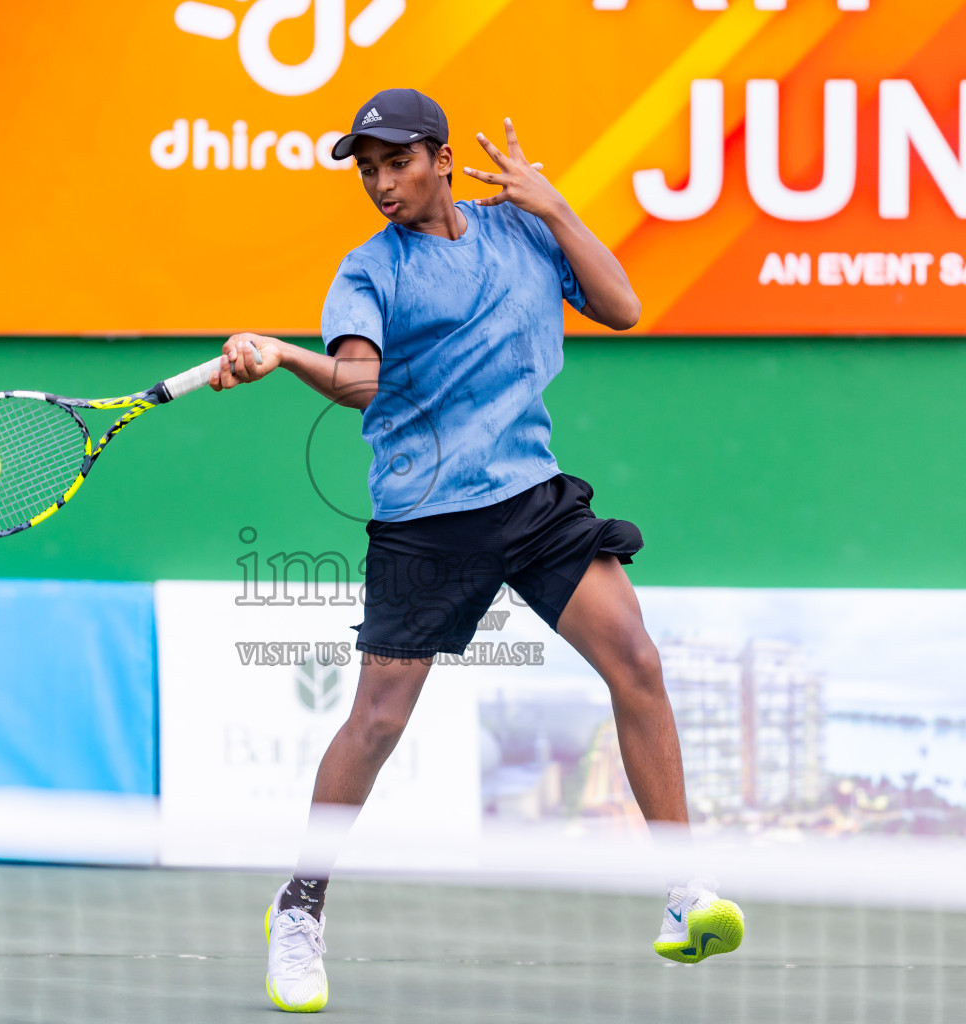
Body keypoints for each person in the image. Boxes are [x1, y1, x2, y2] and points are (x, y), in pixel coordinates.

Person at [210, 88, 743, 1014]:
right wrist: (290, 357)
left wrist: (557, 208)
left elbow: (621, 305)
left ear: (441, 157)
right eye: (368, 170)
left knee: (638, 661)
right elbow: (360, 381)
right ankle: (300, 907)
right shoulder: (368, 272)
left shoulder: (523, 233)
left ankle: (681, 894)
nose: (381, 183)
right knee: (377, 720)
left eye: (396, 162)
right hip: (427, 518)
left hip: (531, 499)